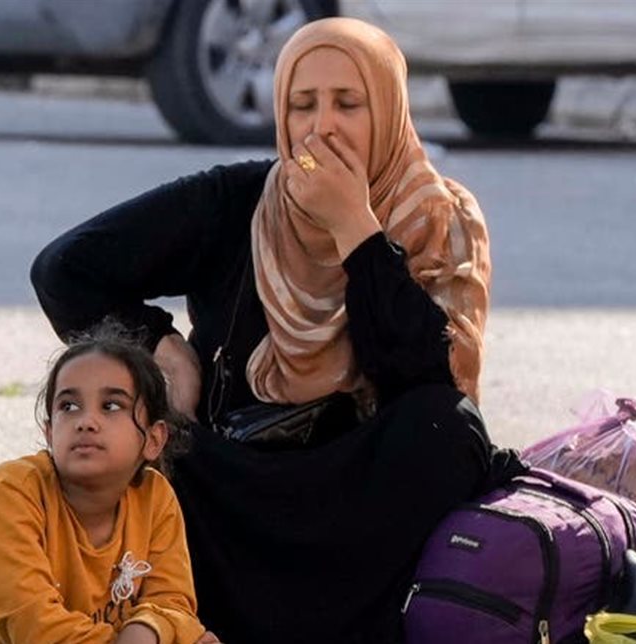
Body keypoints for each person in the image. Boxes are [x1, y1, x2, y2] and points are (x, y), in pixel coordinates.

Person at [31, 18, 494, 644]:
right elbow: (65, 270)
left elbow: (429, 374)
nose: (322, 127)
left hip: (359, 495)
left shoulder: (437, 217)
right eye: (303, 106)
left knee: (448, 430)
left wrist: (355, 229)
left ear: (388, 109)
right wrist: (161, 345)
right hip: (236, 487)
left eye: (348, 104)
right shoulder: (237, 201)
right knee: (154, 445)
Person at [0, 323, 218, 644]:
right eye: (69, 406)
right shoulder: (14, 490)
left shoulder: (155, 497)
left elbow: (173, 602)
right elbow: (34, 628)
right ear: (50, 433)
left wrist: (148, 628)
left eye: (111, 406)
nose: (86, 422)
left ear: (153, 439)